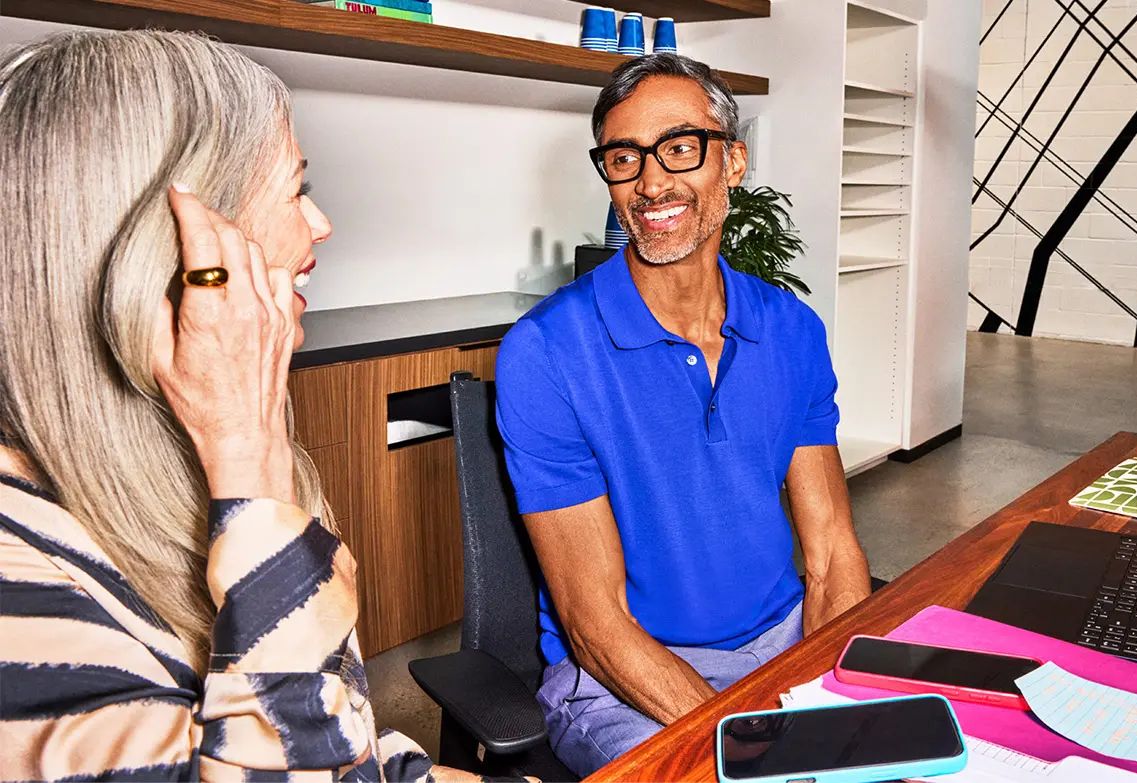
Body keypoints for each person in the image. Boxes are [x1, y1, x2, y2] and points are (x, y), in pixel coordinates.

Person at [0, 30, 480, 780]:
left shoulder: (184, 466)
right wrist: (248, 458)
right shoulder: (18, 577)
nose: (320, 224)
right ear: (184, 247)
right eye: (297, 188)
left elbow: (327, 724)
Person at [494, 54, 872, 775]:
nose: (651, 182)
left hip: (783, 645)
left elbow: (831, 556)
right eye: (624, 158)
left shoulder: (790, 329)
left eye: (679, 147)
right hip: (623, 682)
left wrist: (832, 694)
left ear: (732, 161)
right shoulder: (545, 352)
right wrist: (757, 739)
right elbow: (594, 623)